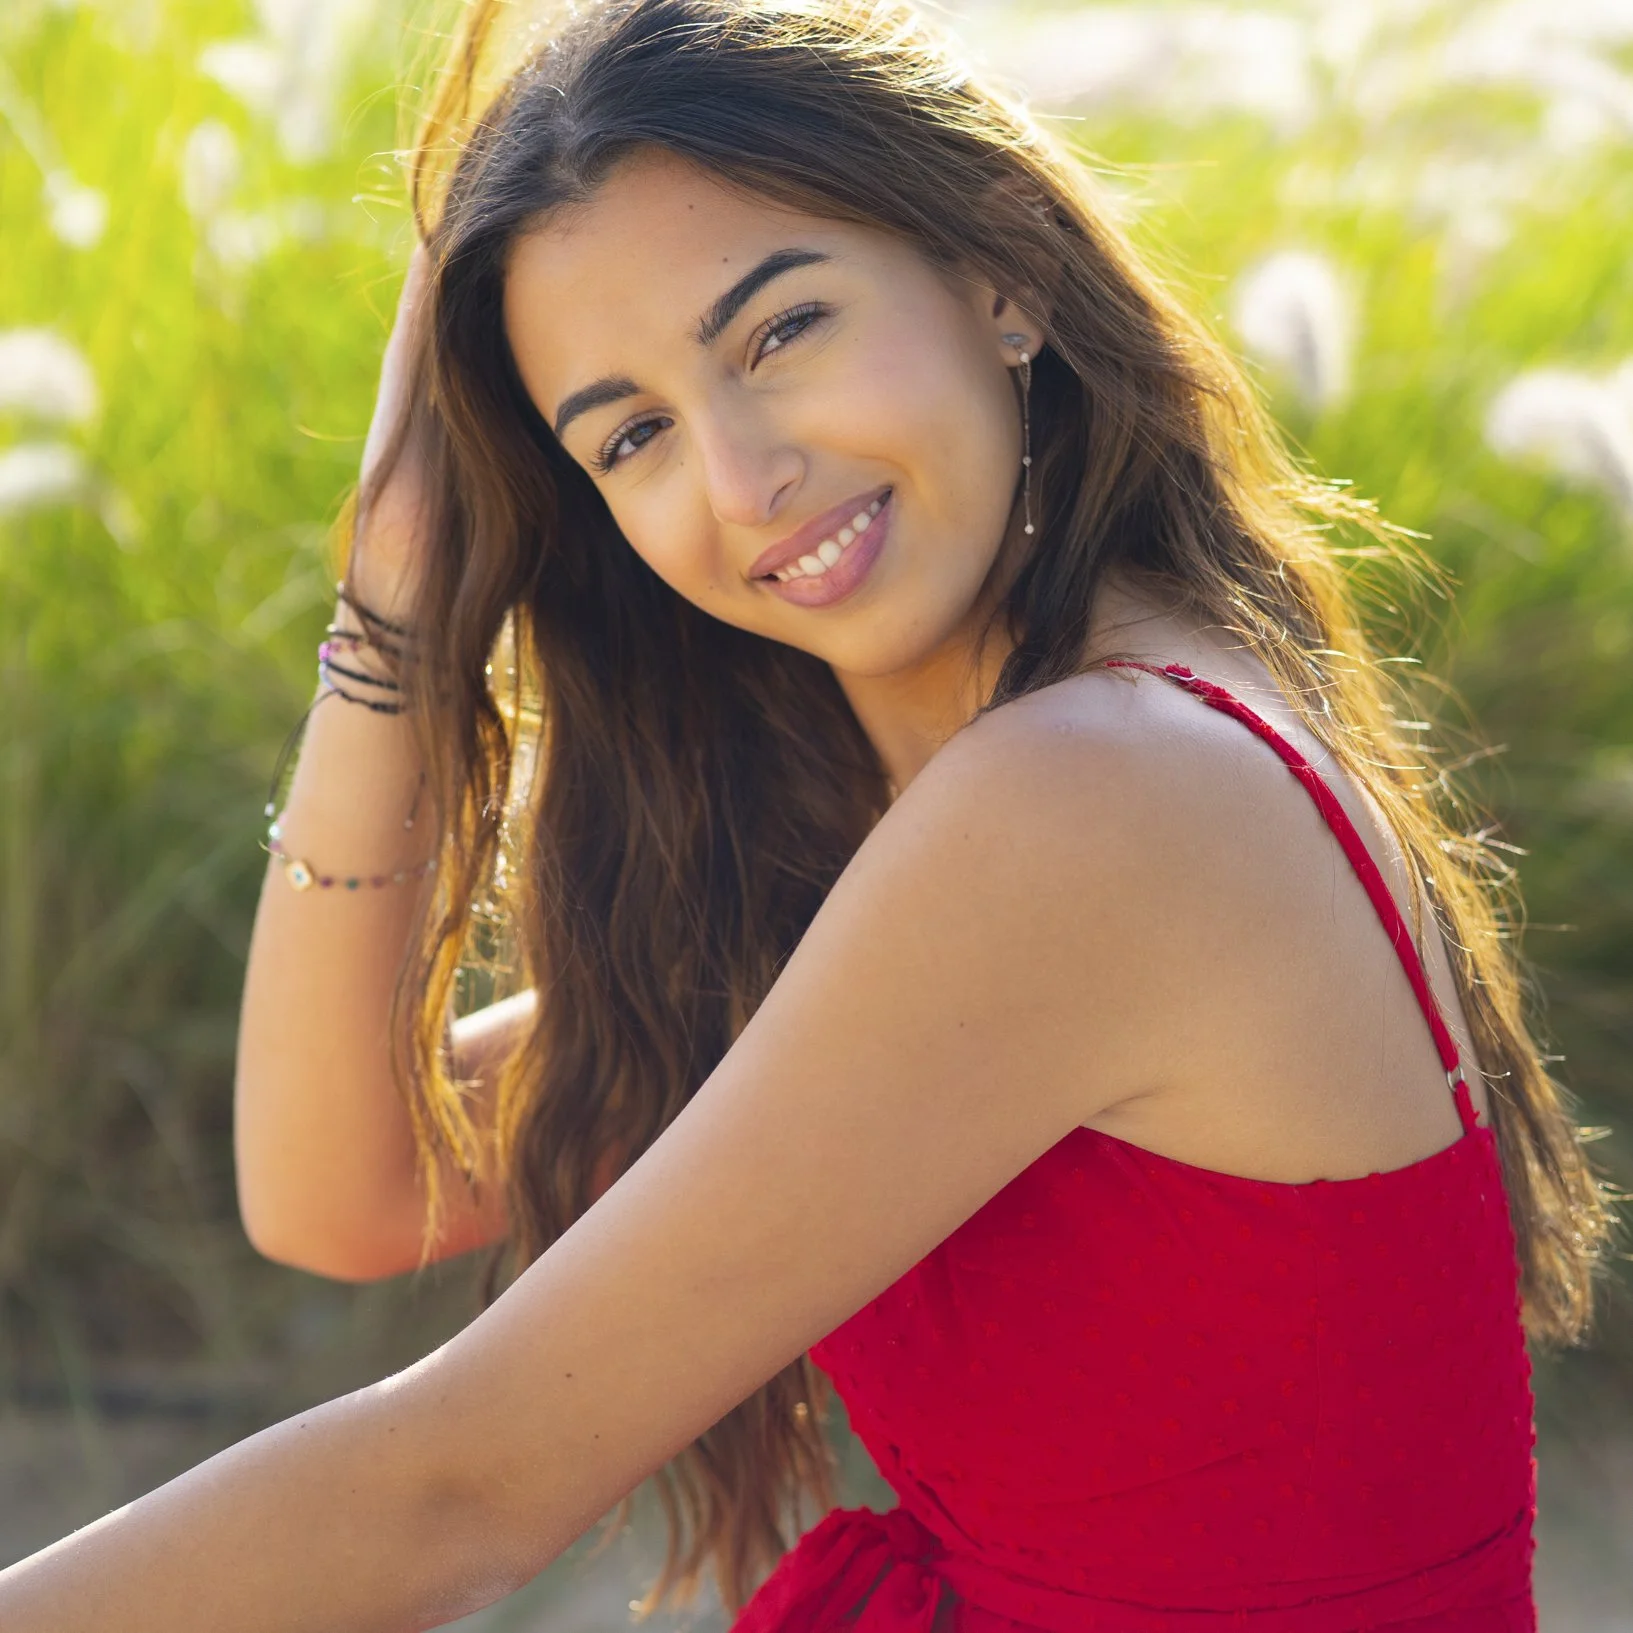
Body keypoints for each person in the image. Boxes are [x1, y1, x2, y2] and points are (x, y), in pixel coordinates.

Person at [0, 1, 1619, 1628]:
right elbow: (343, 1184)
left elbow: (456, 1492)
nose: (740, 476)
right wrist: (397, 610)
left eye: (779, 333)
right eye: (629, 434)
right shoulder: (942, 808)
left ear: (1003, 277)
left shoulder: (1101, 797)